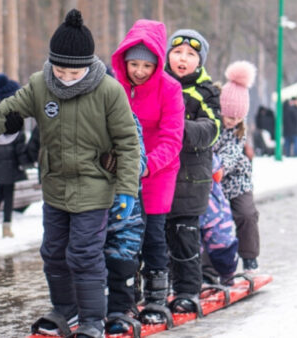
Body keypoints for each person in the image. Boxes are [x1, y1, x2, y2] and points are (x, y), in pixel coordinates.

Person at [0, 9, 140, 337]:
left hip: (94, 187)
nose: (66, 78)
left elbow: (129, 144)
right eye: (60, 70)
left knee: (84, 254)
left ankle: (92, 321)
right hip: (55, 187)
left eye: (74, 72)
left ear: (88, 65)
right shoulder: (41, 86)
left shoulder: (108, 91)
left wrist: (127, 190)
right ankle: (66, 311)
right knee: (54, 253)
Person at [110, 19, 185, 326]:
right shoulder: (114, 86)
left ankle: (156, 297)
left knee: (153, 235)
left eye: (146, 65)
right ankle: (127, 297)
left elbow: (172, 138)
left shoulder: (170, 88)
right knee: (124, 237)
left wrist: (146, 164)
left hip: (158, 170)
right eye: (133, 64)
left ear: (157, 62)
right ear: (124, 61)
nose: (139, 71)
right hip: (122, 173)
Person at [164, 29, 221, 314]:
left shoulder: (206, 91)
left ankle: (187, 290)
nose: (182, 59)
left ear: (199, 61)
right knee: (155, 240)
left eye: (190, 54)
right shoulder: (156, 84)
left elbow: (213, 128)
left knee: (185, 239)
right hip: (158, 178)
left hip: (190, 180)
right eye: (177, 52)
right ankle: (157, 290)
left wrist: (178, 128)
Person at [213, 60, 261, 274]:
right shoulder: (211, 123)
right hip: (213, 181)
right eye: (230, 116)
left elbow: (232, 152)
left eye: (238, 117)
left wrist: (220, 166)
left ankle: (250, 257)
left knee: (246, 214)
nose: (233, 121)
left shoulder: (240, 130)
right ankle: (211, 266)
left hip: (237, 179)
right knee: (212, 221)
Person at [102, 113, 147, 335]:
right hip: (91, 206)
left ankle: (120, 309)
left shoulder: (127, 117)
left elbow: (140, 160)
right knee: (88, 261)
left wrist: (116, 163)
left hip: (125, 207)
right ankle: (91, 310)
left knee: (122, 258)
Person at [0, 73, 27, 238]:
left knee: (3, 188)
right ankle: (6, 227)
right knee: (9, 191)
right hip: (11, 159)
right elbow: (20, 141)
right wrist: (24, 161)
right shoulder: (15, 113)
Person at [199, 153, 239, 286]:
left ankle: (227, 275)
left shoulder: (208, 154)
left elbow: (216, 169)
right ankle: (192, 280)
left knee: (221, 243)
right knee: (188, 246)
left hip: (214, 210)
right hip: (190, 208)